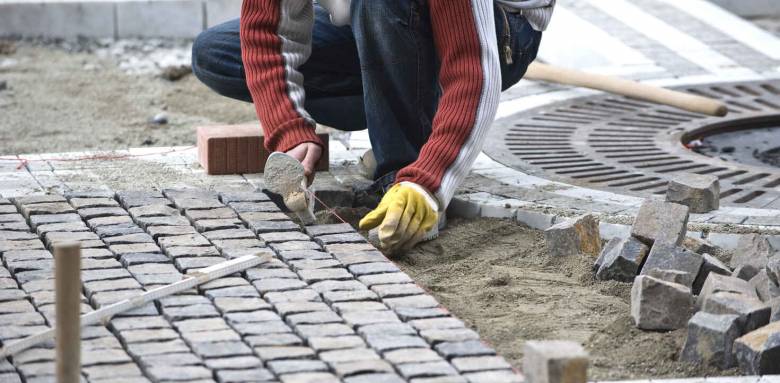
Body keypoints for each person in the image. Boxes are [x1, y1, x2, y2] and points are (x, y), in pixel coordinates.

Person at [192, 0, 554, 253]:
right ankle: (398, 108)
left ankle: (403, 173)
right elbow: (266, 32)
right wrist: (289, 128)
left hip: (500, 30)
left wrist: (429, 180)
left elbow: (473, 72)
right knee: (217, 54)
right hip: (376, 15)